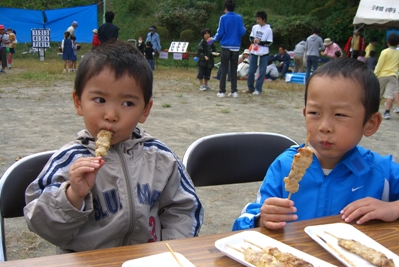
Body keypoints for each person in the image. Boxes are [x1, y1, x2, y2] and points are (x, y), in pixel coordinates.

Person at [24, 41, 204, 254]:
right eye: (99, 99)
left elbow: (184, 208)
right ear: (78, 102)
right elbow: (41, 225)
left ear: (145, 110)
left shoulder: (161, 158)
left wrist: (170, 252)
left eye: (127, 103)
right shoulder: (68, 161)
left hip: (147, 266)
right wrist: (73, 196)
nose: (111, 115)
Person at [232, 58, 399, 231]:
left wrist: (393, 208)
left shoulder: (380, 172)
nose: (324, 127)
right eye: (314, 113)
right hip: (293, 255)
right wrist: (261, 219)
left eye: (340, 115)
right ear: (305, 113)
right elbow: (244, 222)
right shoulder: (285, 165)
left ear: (371, 123)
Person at [212, 0, 246, 98]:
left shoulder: (223, 18)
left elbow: (220, 32)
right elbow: (242, 31)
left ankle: (222, 91)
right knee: (234, 69)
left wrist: (213, 39)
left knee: (223, 68)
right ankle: (234, 91)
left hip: (225, 46)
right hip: (235, 47)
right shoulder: (239, 18)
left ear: (226, 8)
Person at [244, 10, 273, 95]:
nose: (257, 20)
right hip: (254, 52)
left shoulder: (268, 29)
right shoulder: (255, 27)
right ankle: (250, 87)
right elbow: (251, 37)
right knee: (251, 71)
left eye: (259, 19)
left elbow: (270, 42)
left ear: (264, 19)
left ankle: (258, 88)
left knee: (262, 71)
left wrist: (260, 42)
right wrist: (253, 40)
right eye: (257, 19)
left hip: (263, 53)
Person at [374, 33, 399, 120]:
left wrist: (375, 74)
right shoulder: (398, 53)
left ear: (388, 42)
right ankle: (387, 112)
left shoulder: (384, 52)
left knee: (378, 94)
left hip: (382, 75)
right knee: (390, 94)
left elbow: (379, 65)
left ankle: (373, 111)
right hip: (393, 75)